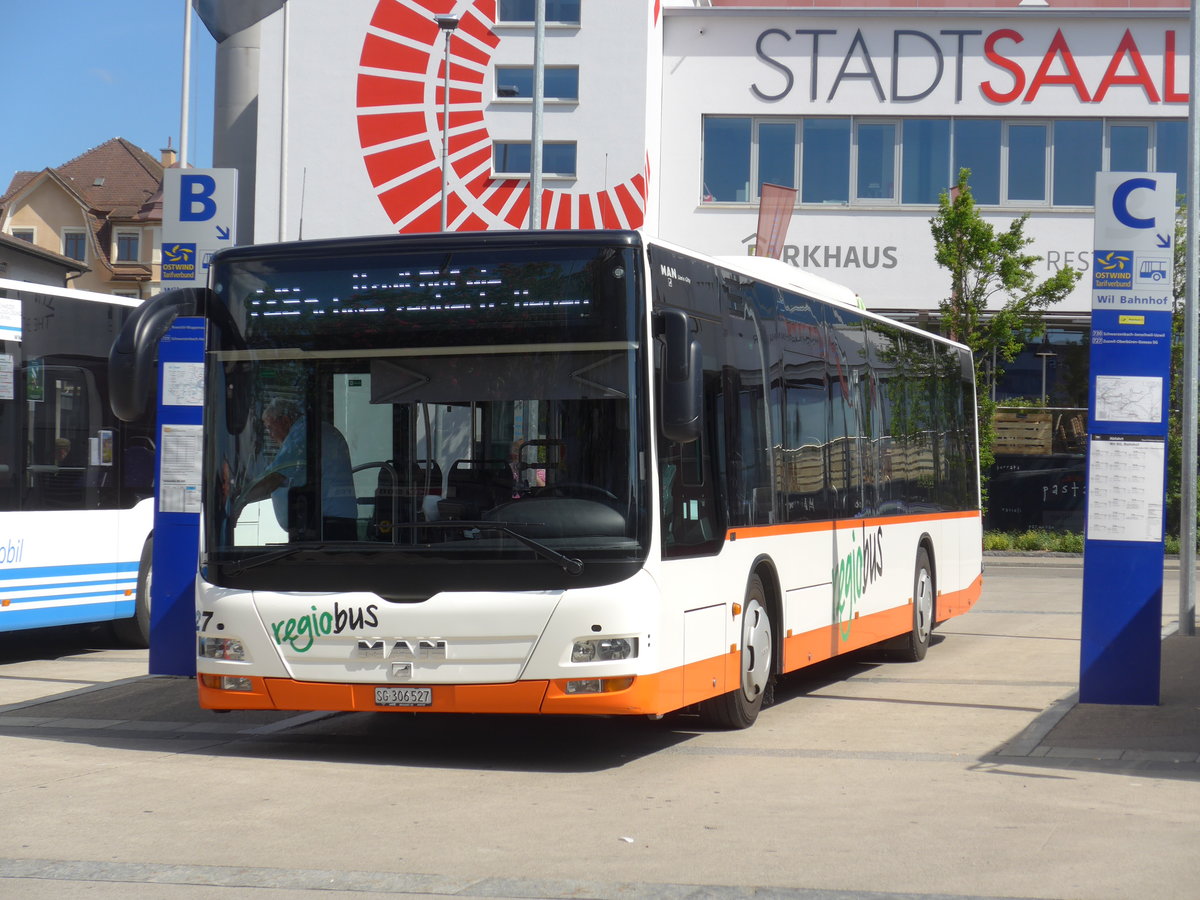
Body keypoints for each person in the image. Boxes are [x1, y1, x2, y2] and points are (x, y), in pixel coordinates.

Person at [235, 398, 358, 540]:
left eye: (270, 427)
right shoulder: (311, 431)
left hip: (327, 527)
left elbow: (274, 478)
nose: (270, 434)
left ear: (285, 420)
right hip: (333, 522)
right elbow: (279, 481)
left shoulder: (301, 435)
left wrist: (242, 501)